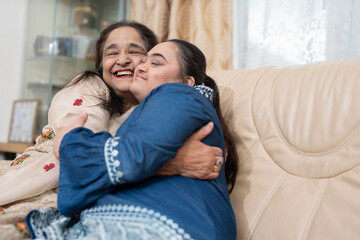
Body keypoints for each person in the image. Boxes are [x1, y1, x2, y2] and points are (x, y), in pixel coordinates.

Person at [0, 21, 224, 239]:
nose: (123, 60)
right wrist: (173, 163)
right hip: (45, 181)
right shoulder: (90, 86)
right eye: (111, 53)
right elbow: (79, 148)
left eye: (137, 53)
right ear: (101, 65)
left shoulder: (162, 103)